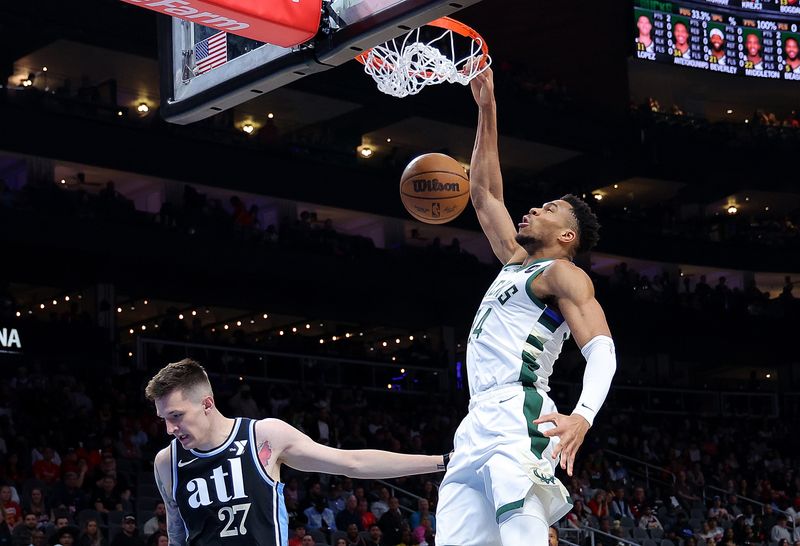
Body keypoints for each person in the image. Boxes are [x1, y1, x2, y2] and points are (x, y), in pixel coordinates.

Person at [435, 67, 615, 546]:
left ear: (567, 236)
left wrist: (584, 414)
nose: (534, 209)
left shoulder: (563, 275)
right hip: (475, 422)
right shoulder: (516, 262)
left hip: (519, 412)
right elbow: (483, 194)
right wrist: (487, 107)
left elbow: (602, 350)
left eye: (550, 209)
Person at [146, 359, 446, 546]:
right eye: (164, 420)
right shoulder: (167, 462)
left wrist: (441, 462)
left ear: (207, 404)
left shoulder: (263, 436)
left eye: (176, 416)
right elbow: (176, 534)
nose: (170, 429)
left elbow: (352, 462)